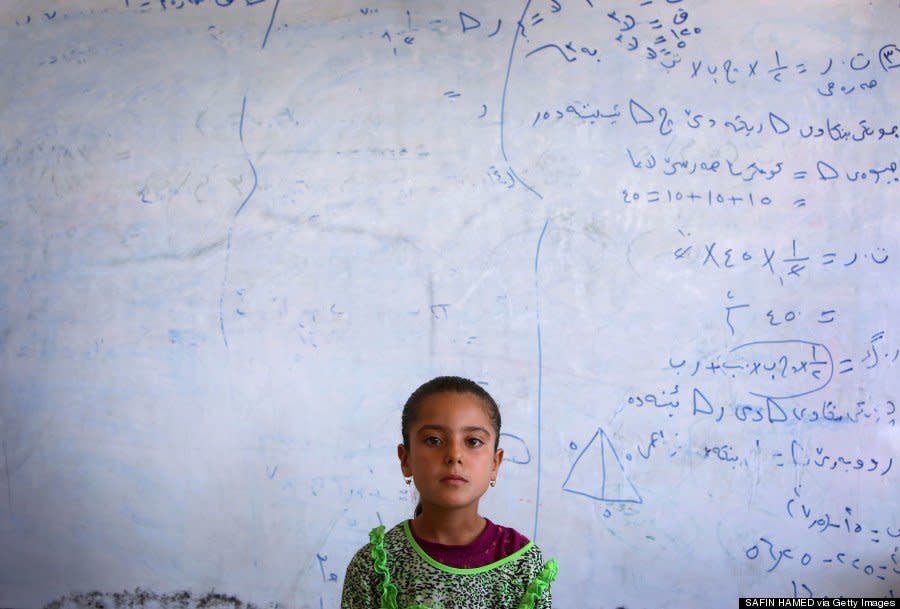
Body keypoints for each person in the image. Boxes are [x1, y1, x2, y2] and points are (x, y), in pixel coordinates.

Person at [341, 376, 557, 609]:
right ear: (406, 459)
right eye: (434, 440)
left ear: (495, 464)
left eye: (473, 441)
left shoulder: (520, 562)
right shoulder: (376, 566)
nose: (454, 455)